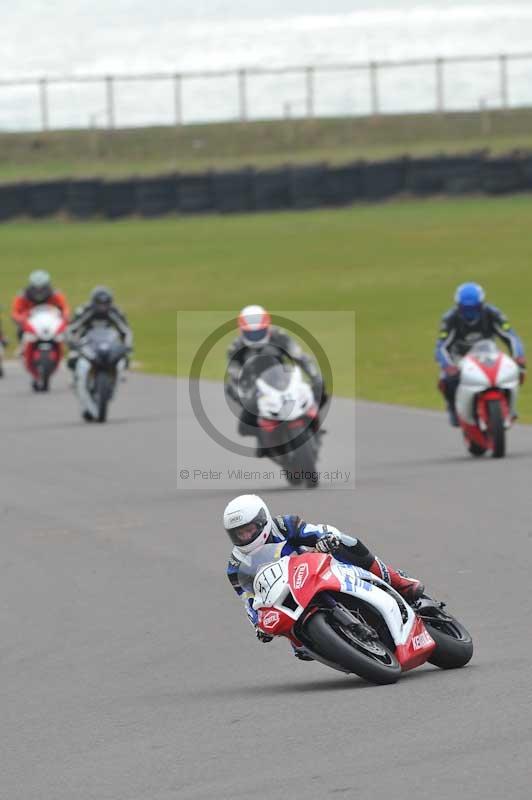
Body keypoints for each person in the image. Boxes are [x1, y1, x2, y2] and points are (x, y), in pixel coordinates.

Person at [224, 494, 424, 658]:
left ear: (262, 521)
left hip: (316, 571)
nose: (245, 537)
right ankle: (335, 647)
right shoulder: (236, 566)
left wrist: (326, 538)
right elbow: (249, 600)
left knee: (347, 543)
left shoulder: (284, 525)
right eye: (239, 534)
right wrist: (257, 624)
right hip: (287, 597)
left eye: (249, 530)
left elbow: (317, 530)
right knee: (300, 649)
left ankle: (399, 581)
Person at [225, 305, 327, 440]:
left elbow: (300, 357)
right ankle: (263, 435)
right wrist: (243, 394)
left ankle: (313, 423)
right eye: (251, 334)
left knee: (320, 387)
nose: (255, 337)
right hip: (255, 386)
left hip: (282, 378)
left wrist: (314, 376)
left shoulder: (279, 337)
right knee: (244, 427)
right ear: (241, 330)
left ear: (267, 327)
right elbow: (234, 374)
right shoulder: (235, 348)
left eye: (259, 332)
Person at [435, 282, 526, 426]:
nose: (470, 314)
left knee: (516, 371)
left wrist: (518, 356)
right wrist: (448, 365)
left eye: (474, 309)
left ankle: (510, 408)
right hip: (460, 357)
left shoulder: (493, 313)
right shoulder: (449, 319)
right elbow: (441, 346)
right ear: (458, 306)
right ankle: (453, 409)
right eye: (465, 309)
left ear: (481, 304)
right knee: (447, 381)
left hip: (488, 353)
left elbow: (511, 336)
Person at [66, 286, 133, 364]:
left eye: (105, 304)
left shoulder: (114, 312)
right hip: (87, 344)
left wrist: (127, 345)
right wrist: (72, 342)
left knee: (124, 359)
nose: (102, 307)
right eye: (99, 304)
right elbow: (71, 329)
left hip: (107, 343)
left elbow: (126, 330)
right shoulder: (85, 311)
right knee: (73, 359)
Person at [11, 270, 70, 340]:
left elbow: (64, 309)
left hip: (52, 323)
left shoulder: (56, 295)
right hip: (31, 325)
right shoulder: (23, 296)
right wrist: (20, 319)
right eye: (36, 288)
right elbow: (16, 313)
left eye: (43, 288)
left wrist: (64, 317)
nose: (39, 291)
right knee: (21, 331)